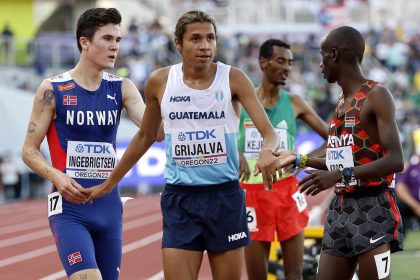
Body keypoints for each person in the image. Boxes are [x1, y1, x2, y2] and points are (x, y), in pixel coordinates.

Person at [86, 10, 281, 280]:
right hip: (180, 200)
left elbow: (269, 134)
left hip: (224, 198)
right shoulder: (160, 81)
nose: (205, 46)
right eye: (196, 39)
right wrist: (110, 183)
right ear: (178, 43)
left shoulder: (233, 78)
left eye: (211, 38)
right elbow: (147, 135)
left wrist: (267, 151)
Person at [21, 8, 155, 280]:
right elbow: (28, 150)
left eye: (118, 40)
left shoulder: (123, 87)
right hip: (69, 207)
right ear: (85, 42)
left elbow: (156, 131)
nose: (115, 46)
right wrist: (56, 175)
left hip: (109, 205)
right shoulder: (52, 89)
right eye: (107, 38)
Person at [278, 26, 404, 280]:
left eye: (322, 56)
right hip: (340, 209)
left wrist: (339, 177)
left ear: (334, 54)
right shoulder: (341, 103)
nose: (320, 64)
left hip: (374, 207)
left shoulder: (376, 95)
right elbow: (342, 159)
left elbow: (395, 160)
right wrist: (301, 160)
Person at [237, 39, 329, 280]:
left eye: (289, 62)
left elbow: (333, 139)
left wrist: (301, 160)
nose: (287, 67)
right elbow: (217, 130)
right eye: (280, 61)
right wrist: (235, 152)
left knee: (294, 276)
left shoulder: (295, 102)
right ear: (263, 63)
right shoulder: (240, 101)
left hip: (287, 191)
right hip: (251, 194)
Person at [396, 153, 420, 235]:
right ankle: (400, 237)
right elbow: (400, 188)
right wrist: (416, 206)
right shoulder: (413, 168)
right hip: (414, 205)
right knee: (398, 206)